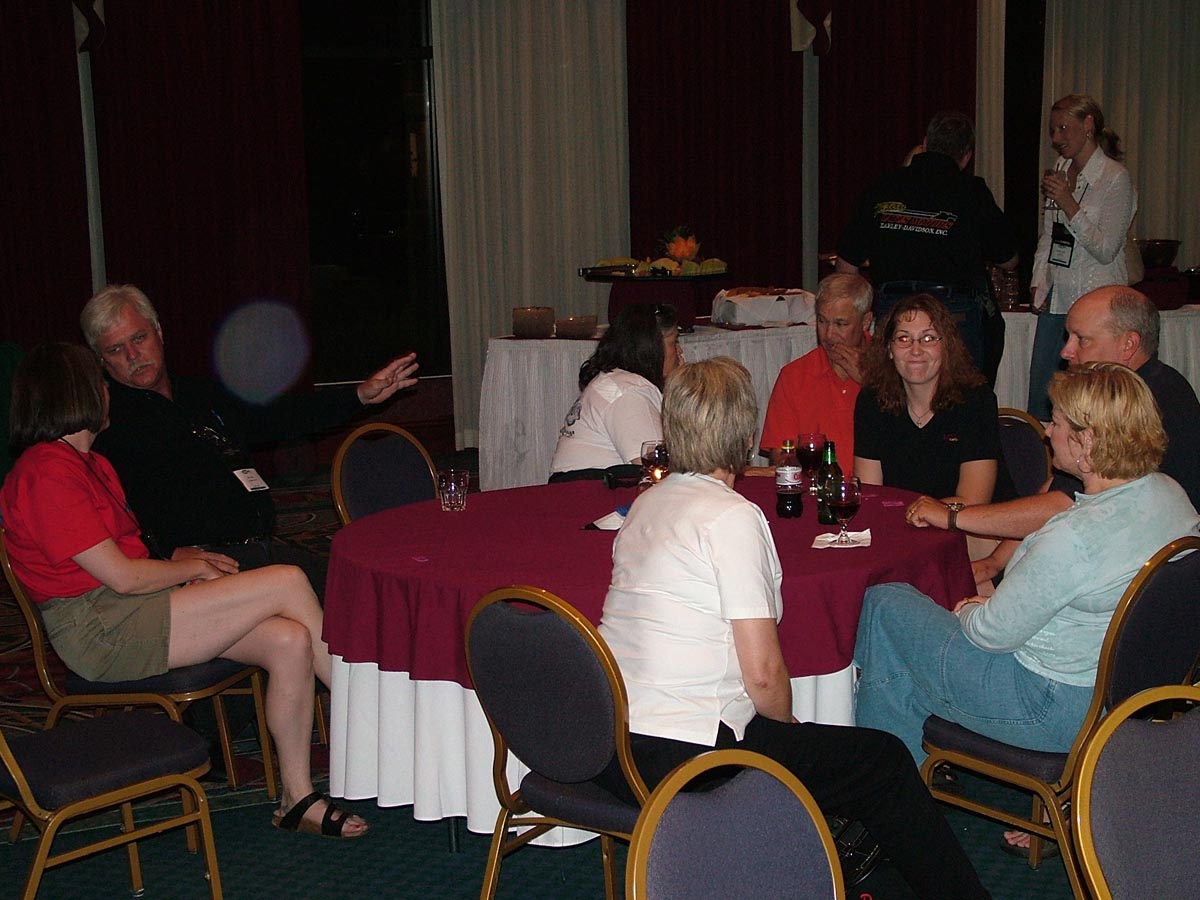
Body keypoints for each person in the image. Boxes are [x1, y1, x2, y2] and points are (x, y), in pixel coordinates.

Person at [595, 356, 991, 900]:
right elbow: (762, 675)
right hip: (688, 754)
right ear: (745, 436)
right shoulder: (730, 517)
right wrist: (790, 730)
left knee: (834, 761)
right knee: (881, 762)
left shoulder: (646, 505)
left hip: (614, 740)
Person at [0, 343, 367, 837]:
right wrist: (191, 568)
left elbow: (128, 565)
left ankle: (296, 799)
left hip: (128, 610)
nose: (108, 391)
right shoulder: (46, 473)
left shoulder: (89, 464)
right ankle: (369, 722)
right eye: (99, 382)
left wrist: (180, 569)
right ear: (77, 394)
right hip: (100, 632)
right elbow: (122, 577)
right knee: (288, 580)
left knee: (289, 639)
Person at [855, 362, 1198, 764]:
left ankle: (880, 774)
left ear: (1087, 443)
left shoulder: (1073, 536)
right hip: (1130, 696)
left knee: (884, 603)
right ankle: (898, 772)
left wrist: (968, 609)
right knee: (901, 661)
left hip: (1049, 707)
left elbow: (990, 634)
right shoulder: (1169, 494)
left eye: (1057, 422)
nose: (1047, 432)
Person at [80, 284, 418, 596]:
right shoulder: (109, 426)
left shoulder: (199, 394)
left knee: (364, 591)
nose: (133, 355)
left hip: (261, 548)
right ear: (102, 361)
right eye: (116, 349)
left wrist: (359, 396)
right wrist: (162, 551)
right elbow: (104, 509)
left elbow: (280, 415)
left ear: (159, 332)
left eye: (139, 338)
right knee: (322, 610)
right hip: (206, 567)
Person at [908, 286, 1200, 586]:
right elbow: (1054, 492)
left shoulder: (1133, 408)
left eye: (1081, 339)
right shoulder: (1157, 385)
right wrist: (995, 563)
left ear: (1128, 344)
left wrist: (952, 517)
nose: (1065, 351)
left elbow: (1063, 507)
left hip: (1125, 579)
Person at [836, 111, 1018, 384]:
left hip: (894, 309)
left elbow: (846, 264)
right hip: (953, 312)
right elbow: (1009, 259)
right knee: (961, 397)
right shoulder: (971, 191)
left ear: (924, 143)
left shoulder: (884, 185)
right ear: (966, 156)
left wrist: (852, 319)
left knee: (894, 395)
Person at [1027, 94, 1137, 420]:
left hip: (1097, 304)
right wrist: (1039, 281)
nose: (1056, 138)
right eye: (1052, 130)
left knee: (1092, 402)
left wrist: (1068, 203)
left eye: (1063, 128)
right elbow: (1049, 236)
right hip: (1058, 300)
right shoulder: (1061, 170)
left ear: (1088, 125)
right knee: (1042, 400)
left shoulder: (1115, 178)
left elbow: (1106, 249)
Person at [854, 293, 1010, 506]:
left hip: (972, 523)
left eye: (928, 339)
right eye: (903, 339)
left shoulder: (976, 401)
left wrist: (906, 515)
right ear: (889, 349)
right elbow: (871, 496)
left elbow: (972, 502)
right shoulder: (872, 402)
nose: (915, 350)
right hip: (901, 521)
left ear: (946, 346)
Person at [548, 303, 681, 480]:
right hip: (587, 490)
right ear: (651, 348)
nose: (680, 351)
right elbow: (656, 471)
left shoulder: (616, 383)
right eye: (674, 342)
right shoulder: (629, 393)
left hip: (579, 487)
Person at [759, 273, 873, 462]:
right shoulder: (795, 376)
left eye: (840, 324)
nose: (829, 334)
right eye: (822, 321)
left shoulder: (892, 369)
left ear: (866, 322)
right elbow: (781, 455)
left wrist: (871, 384)